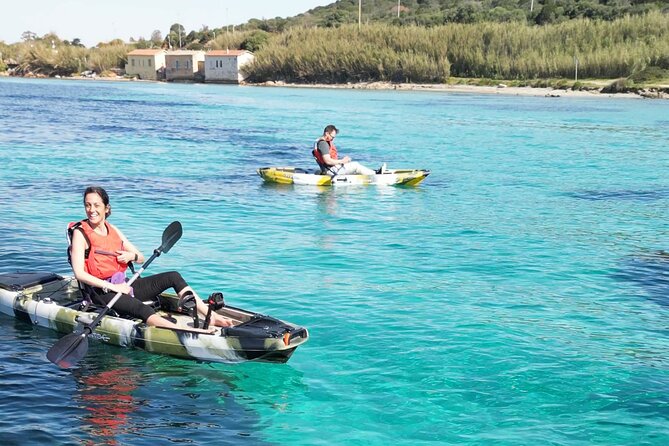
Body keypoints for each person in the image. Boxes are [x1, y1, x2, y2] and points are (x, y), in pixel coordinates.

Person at [70, 186, 234, 331]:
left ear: (106, 208)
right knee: (142, 309)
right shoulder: (80, 233)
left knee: (173, 276)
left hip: (125, 285)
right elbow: (79, 273)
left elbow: (140, 257)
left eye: (96, 205)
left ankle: (209, 316)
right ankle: (184, 332)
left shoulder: (112, 229)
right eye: (88, 205)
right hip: (102, 293)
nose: (91, 210)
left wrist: (131, 256)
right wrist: (115, 288)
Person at [313, 125, 385, 175]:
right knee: (356, 165)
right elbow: (327, 161)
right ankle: (376, 174)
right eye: (332, 137)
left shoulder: (318, 141)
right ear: (326, 133)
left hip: (328, 169)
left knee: (350, 165)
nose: (332, 139)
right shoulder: (323, 144)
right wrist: (342, 161)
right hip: (332, 171)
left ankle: (371, 171)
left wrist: (343, 162)